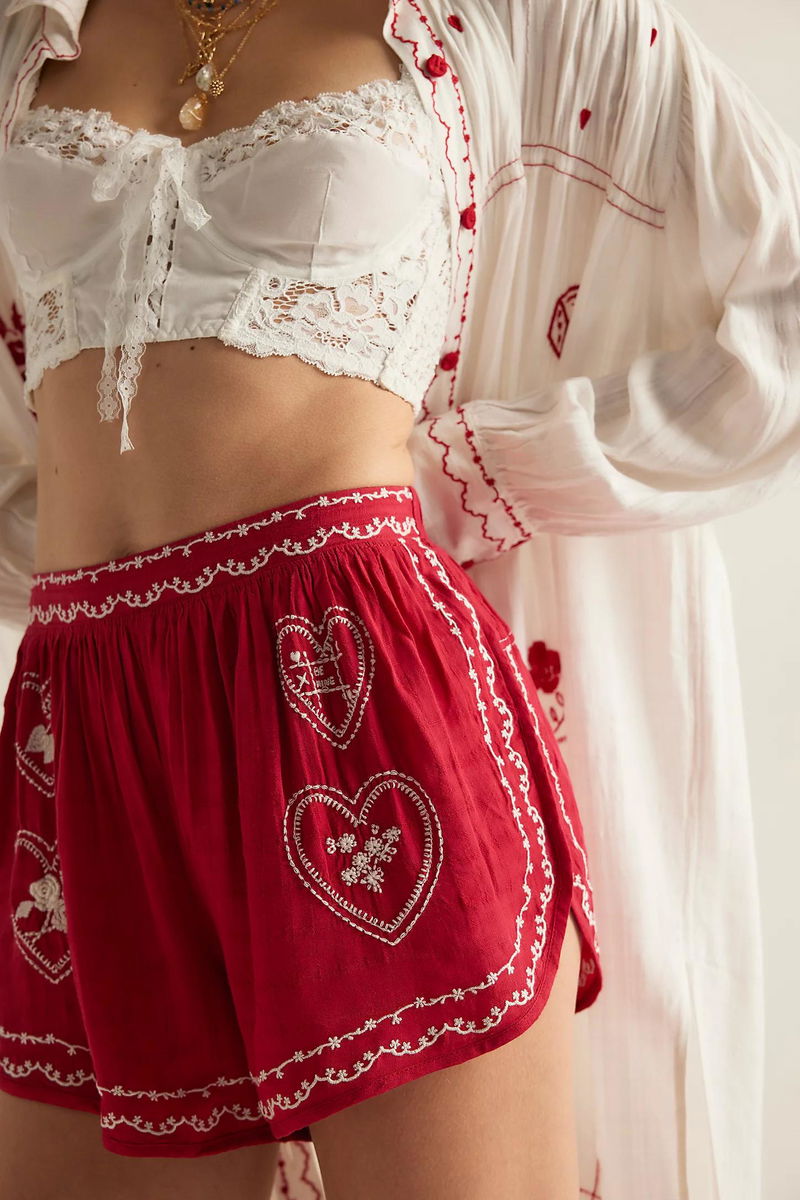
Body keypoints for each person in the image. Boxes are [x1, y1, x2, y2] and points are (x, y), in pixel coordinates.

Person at [1, 2, 799, 1200]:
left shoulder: (516, 16)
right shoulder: (29, 35)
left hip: (359, 693)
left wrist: (471, 474)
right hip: (87, 725)